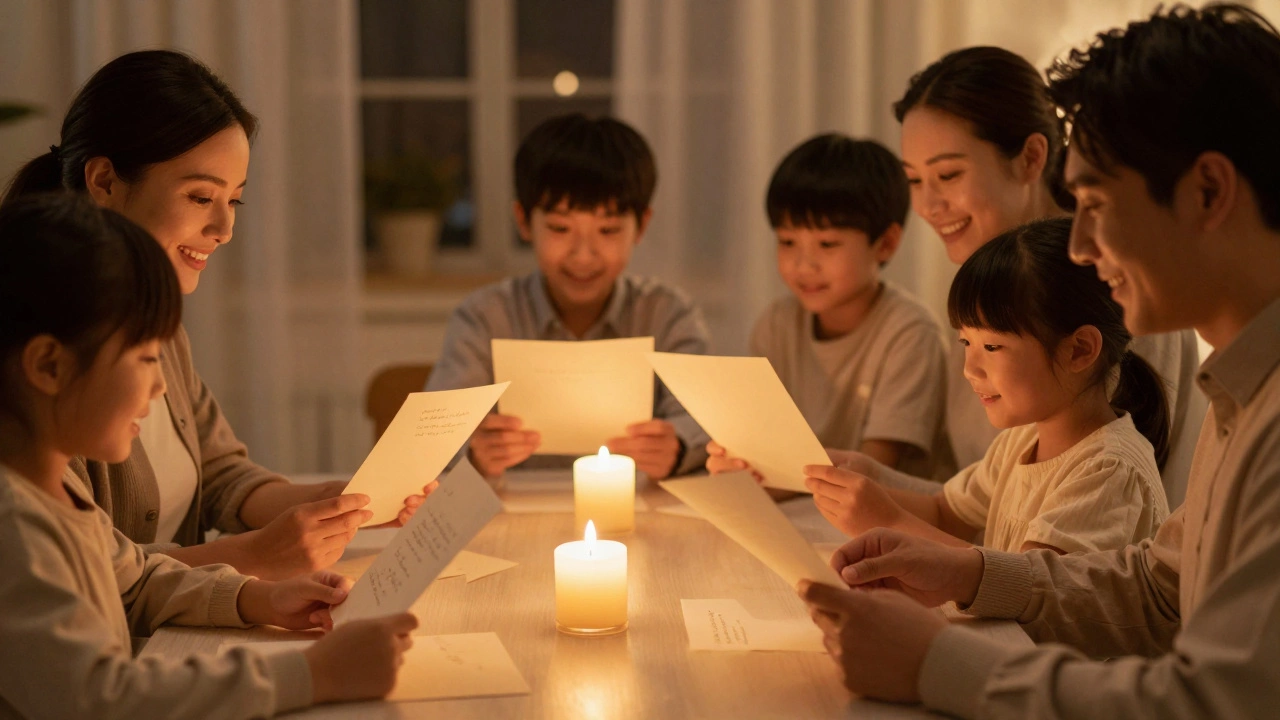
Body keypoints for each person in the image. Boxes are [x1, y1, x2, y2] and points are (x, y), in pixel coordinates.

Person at [798, 5, 1280, 716]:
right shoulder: (1240, 388)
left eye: (1094, 202)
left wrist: (937, 662)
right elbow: (1155, 588)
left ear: (1207, 192)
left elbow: (1218, 698)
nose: (1081, 248)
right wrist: (967, 571)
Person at [1, 49, 431, 581]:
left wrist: (339, 503)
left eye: (236, 202)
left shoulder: (159, 324)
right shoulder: (45, 353)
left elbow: (222, 473)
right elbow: (80, 571)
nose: (225, 229)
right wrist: (250, 559)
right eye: (202, 197)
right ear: (105, 181)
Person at [0, 194, 416, 719]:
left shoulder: (56, 489)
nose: (158, 388)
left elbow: (137, 580)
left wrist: (260, 599)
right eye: (146, 357)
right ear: (49, 366)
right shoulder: (14, 525)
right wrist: (313, 673)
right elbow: (100, 699)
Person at [894, 44, 1202, 494]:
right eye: (914, 181)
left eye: (949, 176)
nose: (927, 206)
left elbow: (1095, 529)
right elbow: (970, 499)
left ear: (1032, 158)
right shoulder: (986, 289)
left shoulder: (1111, 287)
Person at [804, 217, 1169, 554]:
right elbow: (944, 511)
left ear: (1080, 350)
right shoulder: (1020, 441)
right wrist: (860, 482)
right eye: (966, 343)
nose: (969, 369)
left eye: (992, 346)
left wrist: (890, 521)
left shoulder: (1108, 471)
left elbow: (1026, 589)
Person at [426, 113, 711, 482]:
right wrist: (476, 452)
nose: (583, 254)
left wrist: (676, 448)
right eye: (560, 228)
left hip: (638, 515)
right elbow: (436, 441)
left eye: (607, 229)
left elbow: (705, 423)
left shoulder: (666, 313)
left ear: (641, 225)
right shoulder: (486, 316)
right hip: (513, 516)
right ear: (524, 221)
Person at [710, 135, 945, 479]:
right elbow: (762, 445)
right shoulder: (777, 324)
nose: (804, 265)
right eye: (788, 241)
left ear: (886, 243)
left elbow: (869, 473)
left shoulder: (910, 333)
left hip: (881, 518)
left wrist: (766, 478)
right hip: (802, 506)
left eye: (827, 244)